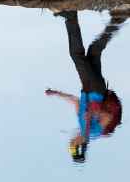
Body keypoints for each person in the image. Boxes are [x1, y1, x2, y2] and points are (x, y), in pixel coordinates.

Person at [45, 11, 122, 163]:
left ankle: (117, 21)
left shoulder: (82, 127)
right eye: (72, 146)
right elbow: (108, 117)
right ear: (79, 146)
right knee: (77, 55)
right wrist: (95, 112)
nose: (70, 142)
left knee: (94, 50)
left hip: (87, 87)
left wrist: (56, 93)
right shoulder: (93, 132)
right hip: (96, 89)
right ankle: (70, 17)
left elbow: (76, 102)